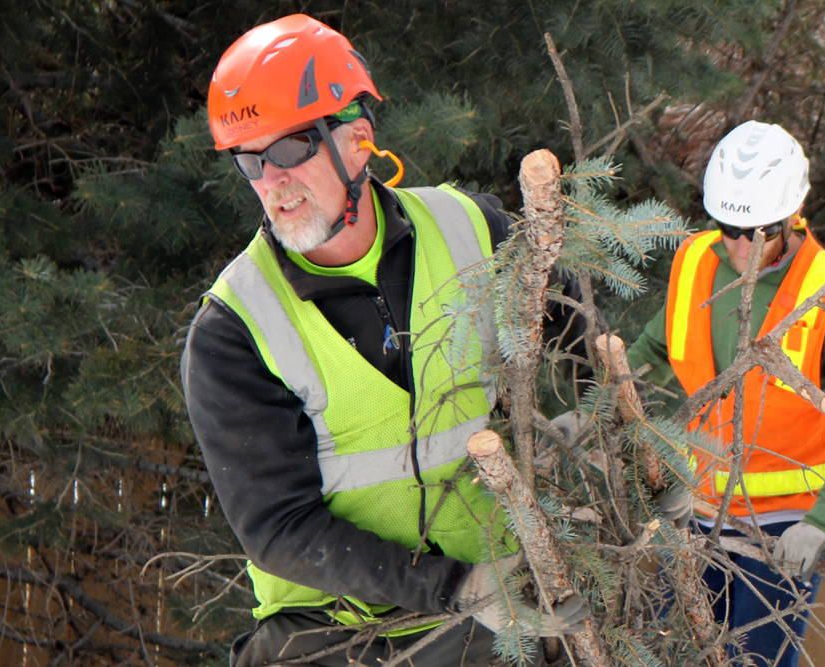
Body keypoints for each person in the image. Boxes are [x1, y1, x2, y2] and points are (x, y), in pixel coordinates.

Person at [181, 15, 592, 667]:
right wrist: (458, 587)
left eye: (288, 150)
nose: (271, 182)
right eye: (250, 160)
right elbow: (277, 527)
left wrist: (612, 443)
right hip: (326, 628)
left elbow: (582, 337)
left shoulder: (470, 228)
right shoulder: (235, 326)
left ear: (358, 141)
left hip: (483, 616)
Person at [627, 121, 825, 666]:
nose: (742, 245)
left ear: (793, 218)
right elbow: (649, 354)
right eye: (730, 227)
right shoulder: (696, 263)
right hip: (695, 515)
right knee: (663, 653)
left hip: (780, 532)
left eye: (760, 231)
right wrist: (595, 413)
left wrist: (822, 520)